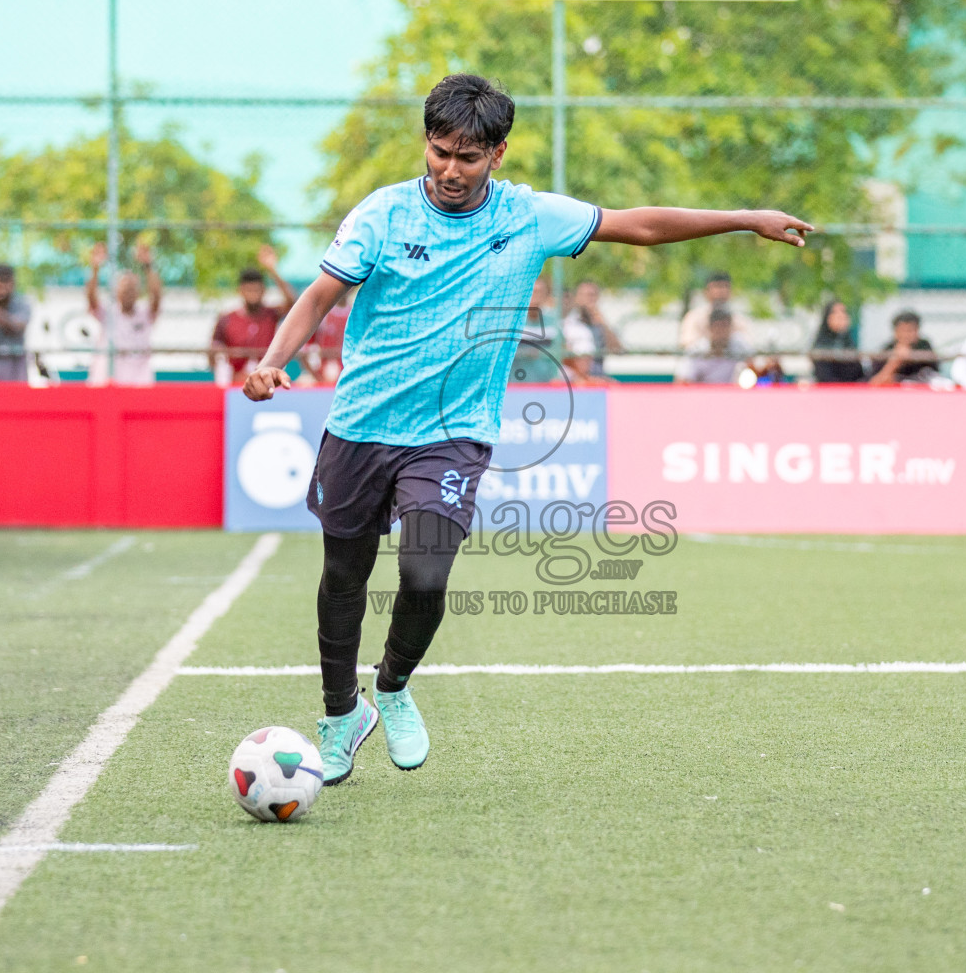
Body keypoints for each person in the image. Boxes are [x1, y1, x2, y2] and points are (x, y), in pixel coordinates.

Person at [241, 73, 812, 785]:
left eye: (468, 157)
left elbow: (638, 224)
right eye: (440, 152)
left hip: (452, 431)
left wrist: (744, 215)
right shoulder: (382, 215)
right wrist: (269, 363)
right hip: (360, 422)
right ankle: (339, 714)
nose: (451, 169)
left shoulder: (529, 216)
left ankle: (390, 685)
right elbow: (320, 294)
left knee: (425, 572)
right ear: (426, 142)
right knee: (343, 576)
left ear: (498, 154)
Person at [210, 247, 298, 384]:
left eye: (256, 290)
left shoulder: (271, 314)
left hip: (265, 382)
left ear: (263, 290)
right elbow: (213, 349)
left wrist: (272, 270)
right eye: (249, 290)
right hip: (235, 384)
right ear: (241, 290)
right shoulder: (227, 319)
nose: (253, 294)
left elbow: (293, 304)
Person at [86, 241, 163, 387]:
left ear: (139, 292)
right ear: (116, 291)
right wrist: (95, 268)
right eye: (125, 287)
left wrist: (148, 266)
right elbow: (91, 298)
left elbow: (157, 296)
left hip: (140, 383)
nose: (128, 292)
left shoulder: (145, 314)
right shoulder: (108, 313)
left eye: (132, 288)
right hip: (108, 383)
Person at [560, 280, 622, 378]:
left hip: (598, 375)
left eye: (592, 295)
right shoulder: (568, 323)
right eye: (584, 295)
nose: (588, 299)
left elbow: (618, 351)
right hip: (575, 378)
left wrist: (603, 324)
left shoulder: (601, 323)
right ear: (576, 298)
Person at [510, 275, 563, 384]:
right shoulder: (512, 322)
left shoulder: (553, 323)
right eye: (532, 291)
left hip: (546, 386)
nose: (535, 296)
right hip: (516, 387)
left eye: (540, 292)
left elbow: (562, 351)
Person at [675, 308, 750, 384]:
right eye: (717, 326)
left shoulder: (740, 346)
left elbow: (755, 369)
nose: (720, 331)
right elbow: (683, 380)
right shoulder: (697, 349)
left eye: (724, 326)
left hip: (733, 392)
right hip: (702, 393)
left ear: (731, 328)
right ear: (709, 328)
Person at [678, 272, 750, 350]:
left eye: (724, 287)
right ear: (706, 292)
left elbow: (747, 347)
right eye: (716, 287)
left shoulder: (740, 320)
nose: (720, 291)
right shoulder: (693, 318)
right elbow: (687, 345)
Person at [868, 310, 938, 386]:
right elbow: (875, 382)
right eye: (902, 330)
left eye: (910, 330)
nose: (906, 335)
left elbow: (933, 376)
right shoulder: (887, 349)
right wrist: (894, 361)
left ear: (917, 331)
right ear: (895, 331)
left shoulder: (924, 347)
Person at [811, 300, 864, 383]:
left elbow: (858, 374)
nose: (841, 316)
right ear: (827, 317)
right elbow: (824, 376)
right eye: (835, 312)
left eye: (844, 312)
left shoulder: (849, 342)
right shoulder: (822, 344)